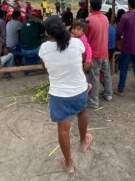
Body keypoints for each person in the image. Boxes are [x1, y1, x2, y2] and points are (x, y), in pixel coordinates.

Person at [38, 16, 92, 174]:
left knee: (63, 128)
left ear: (48, 32)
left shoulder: (44, 48)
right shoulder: (76, 43)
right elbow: (81, 59)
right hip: (79, 89)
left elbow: (46, 68)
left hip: (59, 93)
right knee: (82, 112)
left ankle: (69, 164)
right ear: (64, 27)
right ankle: (83, 142)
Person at [115, 0, 135, 101]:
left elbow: (118, 32)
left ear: (128, 4)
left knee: (123, 69)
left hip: (127, 47)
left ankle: (121, 90)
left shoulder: (125, 17)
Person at [86, 0, 112, 107]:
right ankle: (108, 94)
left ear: (90, 7)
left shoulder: (88, 20)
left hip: (94, 53)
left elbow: (86, 37)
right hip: (104, 51)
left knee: (94, 77)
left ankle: (94, 101)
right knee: (106, 74)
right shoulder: (105, 18)